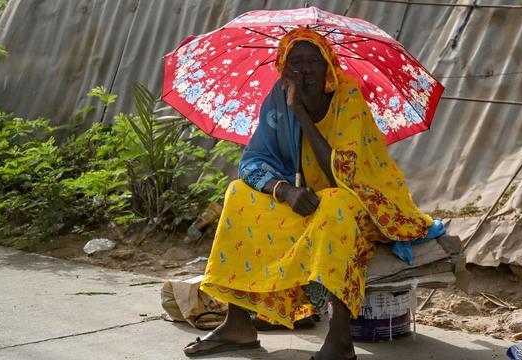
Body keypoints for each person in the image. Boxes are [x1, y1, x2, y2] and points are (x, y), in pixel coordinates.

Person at [183, 27, 433, 360]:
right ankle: (238, 324)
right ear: (284, 68)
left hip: (363, 198)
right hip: (306, 199)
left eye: (313, 61)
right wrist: (283, 189)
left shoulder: (348, 99)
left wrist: (301, 111)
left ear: (328, 64)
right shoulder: (278, 98)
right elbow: (253, 160)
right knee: (238, 193)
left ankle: (340, 339)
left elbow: (339, 174)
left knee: (335, 204)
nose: (304, 70)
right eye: (295, 62)